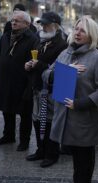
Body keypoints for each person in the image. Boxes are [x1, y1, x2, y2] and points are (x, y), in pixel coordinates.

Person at [43, 16, 98, 183]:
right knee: (75, 156)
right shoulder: (66, 53)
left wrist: (80, 103)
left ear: (92, 34)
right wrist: (66, 71)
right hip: (64, 115)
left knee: (84, 156)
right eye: (76, 29)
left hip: (84, 117)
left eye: (83, 30)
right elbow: (47, 74)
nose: (78, 33)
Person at [24, 12, 68, 167]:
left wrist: (38, 65)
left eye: (46, 24)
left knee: (49, 122)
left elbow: (60, 72)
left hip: (51, 90)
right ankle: (40, 150)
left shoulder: (62, 45)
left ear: (55, 25)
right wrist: (28, 65)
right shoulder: (40, 41)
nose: (43, 26)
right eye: (42, 24)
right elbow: (37, 61)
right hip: (37, 88)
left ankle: (51, 153)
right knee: (37, 120)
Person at [0, 11, 39, 151]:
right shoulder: (6, 36)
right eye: (13, 20)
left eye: (17, 21)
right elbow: (1, 55)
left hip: (22, 82)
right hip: (6, 80)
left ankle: (24, 141)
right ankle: (8, 135)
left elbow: (34, 60)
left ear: (27, 23)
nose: (13, 23)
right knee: (7, 110)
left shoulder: (32, 39)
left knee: (24, 113)